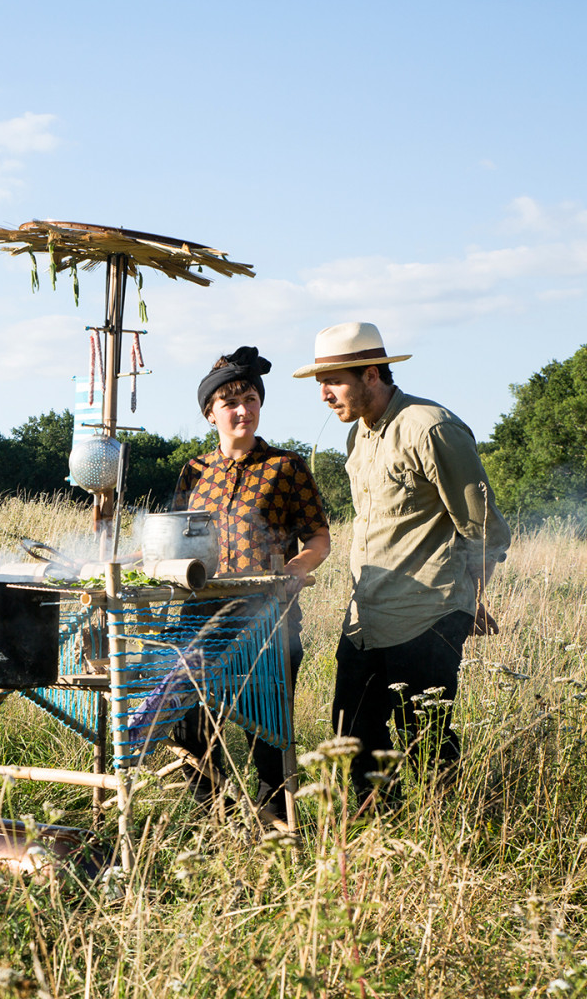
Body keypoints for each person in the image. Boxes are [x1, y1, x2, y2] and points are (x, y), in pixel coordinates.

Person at [293, 321, 510, 801]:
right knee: (352, 737)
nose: (324, 395)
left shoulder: (431, 427)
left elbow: (484, 528)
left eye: (333, 383)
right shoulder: (358, 437)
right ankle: (376, 838)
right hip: (365, 618)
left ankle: (448, 835)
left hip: (425, 614)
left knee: (426, 742)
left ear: (372, 374)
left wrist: (470, 600)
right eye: (320, 385)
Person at [168, 346, 332, 815]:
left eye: (251, 400)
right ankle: (212, 824)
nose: (243, 410)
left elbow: (318, 539)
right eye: (230, 403)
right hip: (199, 617)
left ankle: (275, 835)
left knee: (266, 733)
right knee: (191, 725)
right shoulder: (194, 471)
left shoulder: (286, 467)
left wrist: (296, 571)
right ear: (210, 414)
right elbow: (174, 539)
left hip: (267, 622)